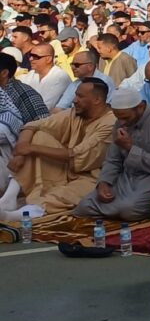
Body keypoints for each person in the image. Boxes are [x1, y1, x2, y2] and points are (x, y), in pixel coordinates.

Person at [0, 77, 115, 217]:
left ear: (97, 100)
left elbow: (77, 155)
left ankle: (21, 215)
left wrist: (30, 149)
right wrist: (20, 152)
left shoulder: (110, 122)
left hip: (93, 177)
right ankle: (9, 197)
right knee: (39, 136)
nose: (74, 100)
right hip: (66, 167)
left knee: (65, 195)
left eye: (80, 96)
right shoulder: (75, 113)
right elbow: (32, 125)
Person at [73, 86, 150, 220]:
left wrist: (130, 147)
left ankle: (120, 209)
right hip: (127, 177)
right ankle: (117, 208)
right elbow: (112, 160)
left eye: (125, 117)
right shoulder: (120, 121)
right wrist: (104, 183)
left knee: (129, 210)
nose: (122, 122)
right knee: (84, 206)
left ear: (141, 107)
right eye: (118, 118)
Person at [18, 42, 71, 109]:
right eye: (30, 55)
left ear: (48, 59)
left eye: (35, 57)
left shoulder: (60, 77)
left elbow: (46, 106)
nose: (30, 59)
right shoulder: (31, 74)